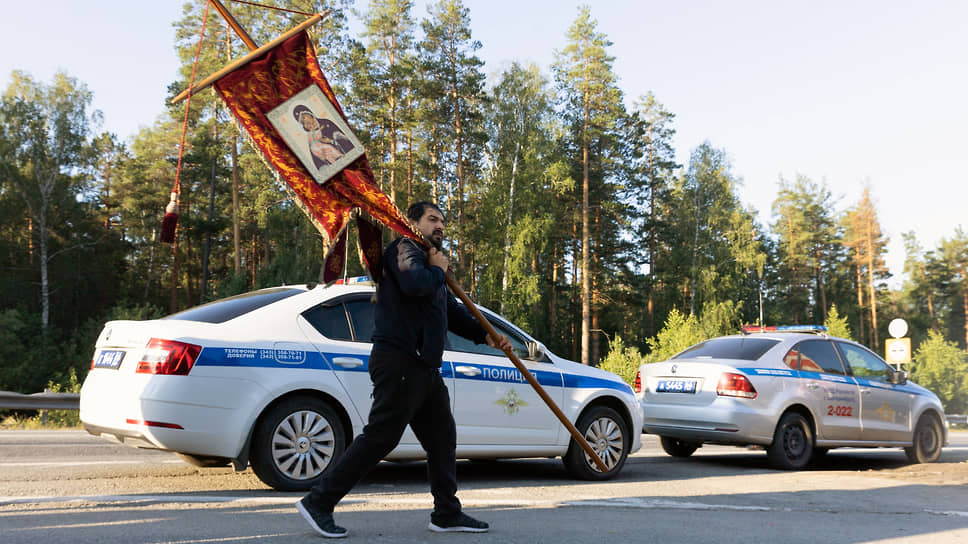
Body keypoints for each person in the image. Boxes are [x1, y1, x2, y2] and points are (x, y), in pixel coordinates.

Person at [297, 201, 512, 538]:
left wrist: (487, 335)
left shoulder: (429, 262)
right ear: (412, 223)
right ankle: (318, 501)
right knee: (381, 436)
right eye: (432, 220)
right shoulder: (404, 249)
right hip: (399, 360)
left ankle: (446, 513)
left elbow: (453, 314)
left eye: (442, 221)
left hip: (424, 366)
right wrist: (438, 271)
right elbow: (415, 284)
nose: (439, 226)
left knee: (442, 438)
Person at [292, 104, 355, 169]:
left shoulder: (326, 123)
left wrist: (332, 140)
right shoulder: (310, 136)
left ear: (312, 116)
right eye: (307, 124)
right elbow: (316, 159)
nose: (311, 125)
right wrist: (321, 159)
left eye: (311, 121)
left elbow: (345, 140)